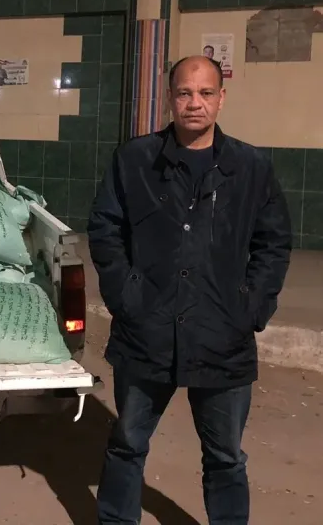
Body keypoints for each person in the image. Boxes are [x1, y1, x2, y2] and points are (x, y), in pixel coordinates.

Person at [89, 55, 291, 525]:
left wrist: (252, 306)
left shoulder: (251, 167)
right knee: (128, 444)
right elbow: (105, 229)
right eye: (184, 92)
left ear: (222, 99)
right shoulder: (135, 160)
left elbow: (273, 242)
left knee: (225, 455)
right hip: (147, 333)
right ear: (170, 98)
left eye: (205, 93)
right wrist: (126, 296)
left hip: (223, 336)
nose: (194, 103)